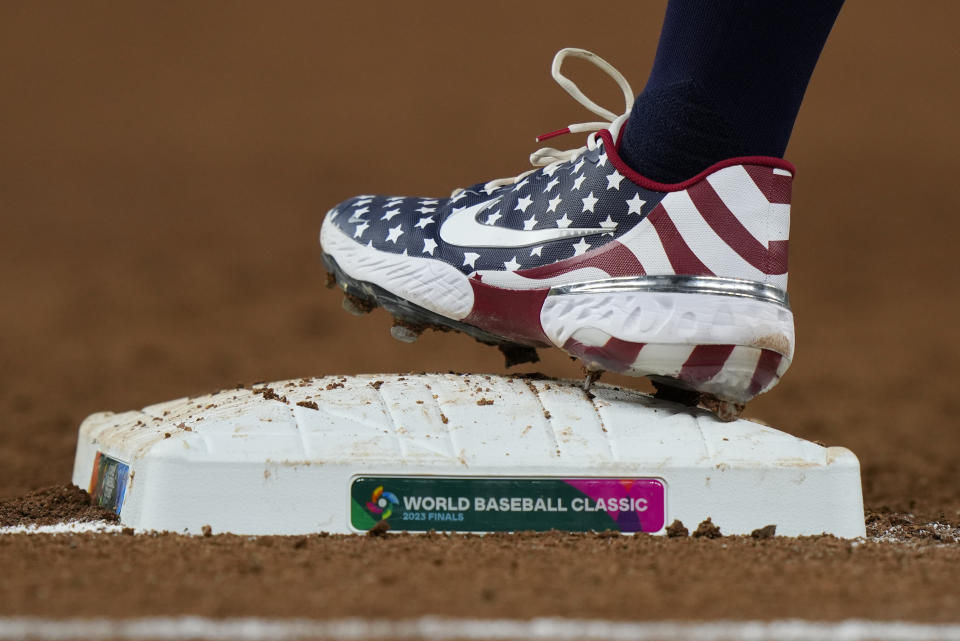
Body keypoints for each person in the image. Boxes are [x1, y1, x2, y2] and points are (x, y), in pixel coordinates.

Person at [319, 0, 844, 419]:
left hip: (661, 219)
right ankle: (700, 194)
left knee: (689, 135)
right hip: (719, 238)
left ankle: (659, 181)